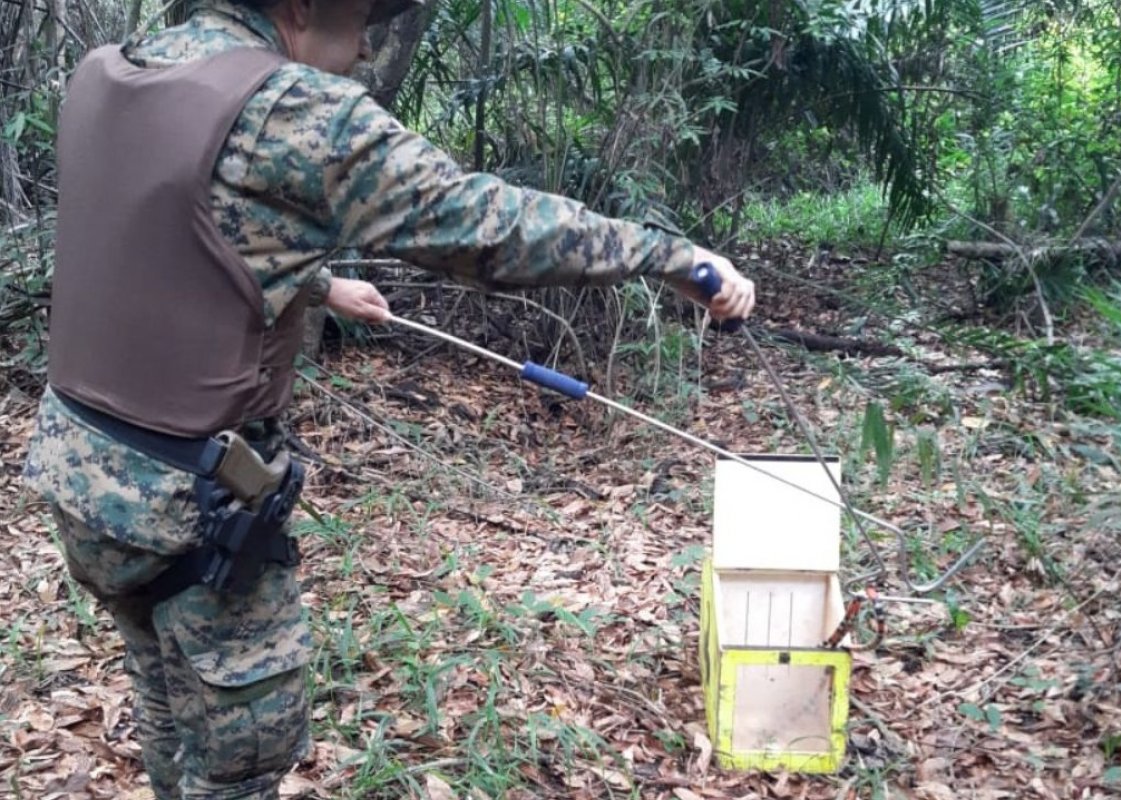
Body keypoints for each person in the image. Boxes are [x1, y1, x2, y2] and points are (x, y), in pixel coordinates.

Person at [23, 1, 756, 798]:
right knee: (237, 768)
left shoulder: (117, 69)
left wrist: (319, 282)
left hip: (84, 481)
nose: (369, 41)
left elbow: (171, 224)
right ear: (301, 6)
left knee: (166, 702)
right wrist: (670, 257)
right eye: (362, 16)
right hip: (189, 513)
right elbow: (486, 224)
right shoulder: (291, 104)